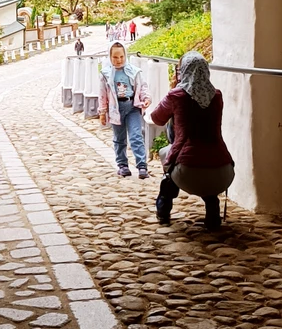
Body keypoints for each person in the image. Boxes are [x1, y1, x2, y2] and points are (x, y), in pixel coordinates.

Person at [150, 51, 235, 230]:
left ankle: (163, 211)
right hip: (223, 171)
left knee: (169, 158)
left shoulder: (176, 96)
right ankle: (213, 216)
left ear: (183, 71)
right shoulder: (217, 95)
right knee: (207, 176)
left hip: (188, 171)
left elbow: (157, 118)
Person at [99, 41, 152, 179]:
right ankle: (122, 165)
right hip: (115, 109)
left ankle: (142, 165)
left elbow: (143, 86)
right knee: (119, 138)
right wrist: (102, 112)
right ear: (110, 57)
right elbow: (102, 94)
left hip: (132, 107)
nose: (119, 60)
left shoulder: (134, 71)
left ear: (125, 55)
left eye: (121, 57)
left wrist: (146, 98)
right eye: (115, 57)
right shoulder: (106, 74)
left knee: (136, 136)